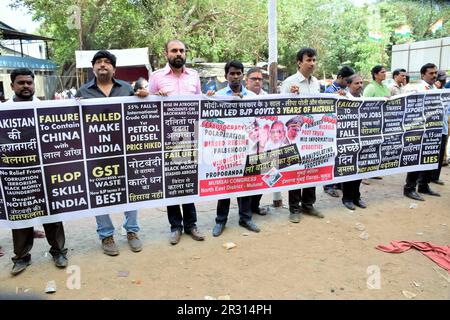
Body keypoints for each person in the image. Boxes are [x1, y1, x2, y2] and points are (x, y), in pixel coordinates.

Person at [76, 50, 147, 255]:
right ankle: (106, 235)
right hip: (96, 153)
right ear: (93, 67)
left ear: (114, 68)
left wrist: (144, 97)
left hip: (125, 149)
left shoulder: (126, 88)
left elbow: (142, 114)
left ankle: (132, 231)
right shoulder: (82, 91)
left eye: (107, 62)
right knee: (100, 192)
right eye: (98, 62)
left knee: (131, 191)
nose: (103, 65)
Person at [4, 68, 68, 275]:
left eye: (29, 83)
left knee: (52, 212)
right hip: (17, 174)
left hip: (46, 171)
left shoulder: (46, 108)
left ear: (34, 85)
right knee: (21, 214)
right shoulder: (3, 111)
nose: (25, 86)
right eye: (21, 83)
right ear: (12, 85)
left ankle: (58, 251)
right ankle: (21, 257)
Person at [149, 40, 204, 245]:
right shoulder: (156, 77)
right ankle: (175, 227)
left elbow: (200, 104)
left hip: (190, 137)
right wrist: (154, 96)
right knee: (171, 182)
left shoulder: (194, 76)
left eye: (181, 50)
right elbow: (147, 105)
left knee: (188, 181)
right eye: (174, 50)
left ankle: (191, 225)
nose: (178, 53)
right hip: (167, 138)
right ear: (166, 54)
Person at [209, 60, 261, 237]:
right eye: (232, 73)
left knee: (245, 185)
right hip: (227, 149)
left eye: (239, 73)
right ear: (226, 76)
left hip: (247, 148)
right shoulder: (218, 95)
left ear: (242, 75)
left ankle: (245, 218)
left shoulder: (253, 97)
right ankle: (220, 221)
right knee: (225, 185)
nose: (235, 76)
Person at [280, 47, 323, 223]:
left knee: (311, 167)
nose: (312, 63)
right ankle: (294, 208)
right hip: (295, 134)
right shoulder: (290, 82)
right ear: (299, 62)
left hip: (312, 133)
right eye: (308, 60)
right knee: (296, 169)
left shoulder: (316, 83)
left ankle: (308, 204)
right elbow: (281, 107)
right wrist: (293, 97)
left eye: (314, 60)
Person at [403, 63, 440, 201]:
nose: (434, 75)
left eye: (435, 73)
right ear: (423, 75)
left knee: (429, 157)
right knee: (416, 158)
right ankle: (409, 188)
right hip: (417, 130)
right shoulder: (415, 88)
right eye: (431, 73)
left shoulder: (434, 87)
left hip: (432, 129)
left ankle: (423, 185)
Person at [323, 66, 355, 197]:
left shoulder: (346, 90)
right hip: (331, 128)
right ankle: (328, 185)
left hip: (342, 127)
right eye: (347, 80)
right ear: (340, 77)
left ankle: (337, 183)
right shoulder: (330, 90)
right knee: (331, 156)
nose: (348, 83)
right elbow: (325, 104)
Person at [341, 74, 367, 210]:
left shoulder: (364, 99)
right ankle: (347, 198)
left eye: (361, 83)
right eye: (356, 83)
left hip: (362, 139)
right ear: (349, 85)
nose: (360, 85)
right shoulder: (342, 99)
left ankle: (357, 196)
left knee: (359, 169)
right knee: (348, 169)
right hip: (346, 139)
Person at [430, 70, 448, 185]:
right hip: (433, 129)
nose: (441, 81)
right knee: (430, 155)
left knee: (440, 155)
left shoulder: (444, 92)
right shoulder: (432, 91)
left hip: (444, 128)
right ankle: (424, 180)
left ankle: (434, 177)